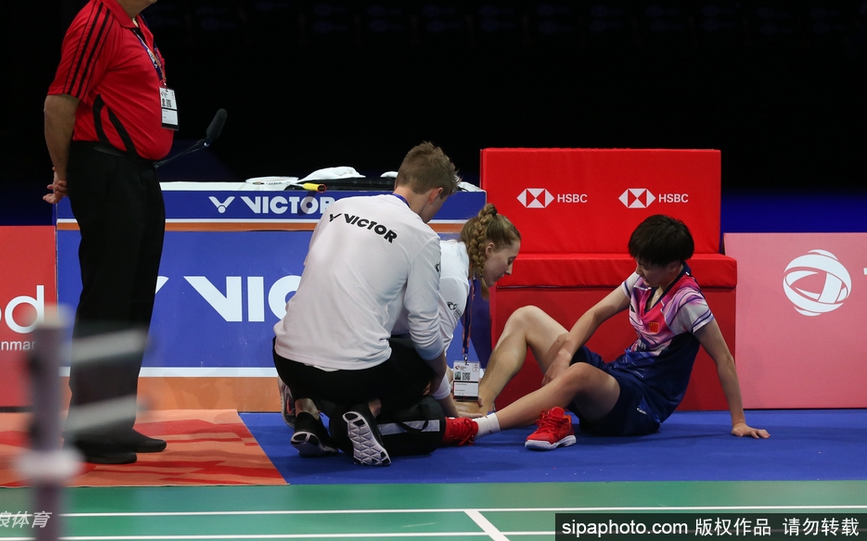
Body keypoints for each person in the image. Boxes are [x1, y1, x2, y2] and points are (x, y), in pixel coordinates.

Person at [447, 214, 770, 450]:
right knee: (527, 316)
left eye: (646, 265)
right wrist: (562, 355)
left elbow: (724, 359)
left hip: (643, 405)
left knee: (581, 372)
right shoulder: (644, 279)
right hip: (619, 381)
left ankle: (477, 429)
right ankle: (478, 405)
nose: (639, 270)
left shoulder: (689, 301)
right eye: (638, 262)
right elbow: (597, 313)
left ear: (673, 266)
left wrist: (738, 421)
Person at [43, 0, 173, 465]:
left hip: (138, 173)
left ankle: (116, 422)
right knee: (107, 302)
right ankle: (89, 430)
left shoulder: (135, 26)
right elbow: (58, 103)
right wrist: (64, 173)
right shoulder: (95, 22)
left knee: (134, 302)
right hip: (106, 172)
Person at [273, 142, 459, 466]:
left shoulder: (337, 207)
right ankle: (363, 409)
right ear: (435, 194)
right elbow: (426, 333)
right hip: (353, 376)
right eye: (440, 204)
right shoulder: (423, 236)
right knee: (423, 362)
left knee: (308, 326)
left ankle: (307, 413)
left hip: (286, 361)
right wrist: (440, 373)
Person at [280, 203, 522, 429]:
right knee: (427, 375)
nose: (510, 271)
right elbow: (431, 361)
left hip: (308, 340)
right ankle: (367, 410)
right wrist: (454, 416)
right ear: (489, 249)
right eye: (509, 261)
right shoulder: (455, 280)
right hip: (354, 347)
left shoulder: (448, 250)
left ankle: (305, 398)